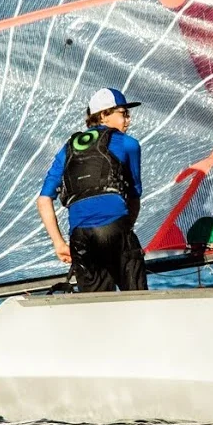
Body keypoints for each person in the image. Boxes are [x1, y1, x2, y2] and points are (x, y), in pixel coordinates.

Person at [36, 87, 147, 292]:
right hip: (115, 229)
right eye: (123, 113)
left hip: (80, 238)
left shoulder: (67, 149)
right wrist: (124, 230)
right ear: (104, 115)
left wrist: (59, 243)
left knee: (97, 310)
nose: (128, 120)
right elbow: (134, 196)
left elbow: (43, 200)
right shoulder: (129, 144)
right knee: (136, 302)